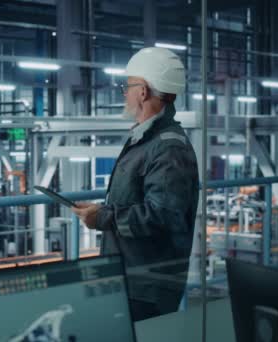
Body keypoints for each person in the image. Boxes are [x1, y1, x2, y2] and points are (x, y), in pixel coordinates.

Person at [72, 47, 199, 321]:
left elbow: (163, 215)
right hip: (133, 278)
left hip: (147, 286)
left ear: (142, 91)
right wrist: (101, 212)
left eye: (127, 86)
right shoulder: (146, 141)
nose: (124, 93)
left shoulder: (168, 149)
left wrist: (103, 217)